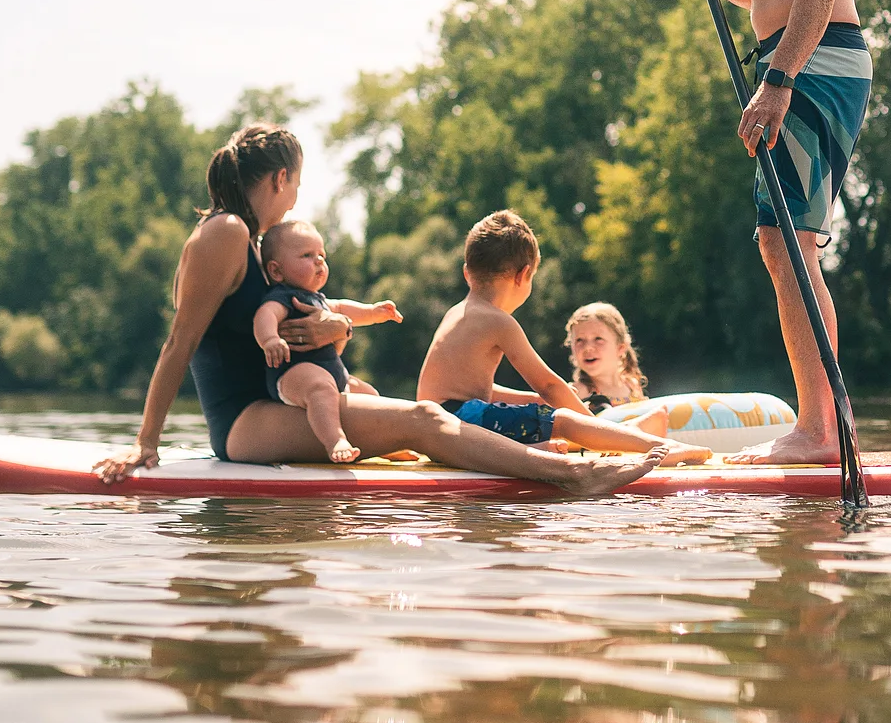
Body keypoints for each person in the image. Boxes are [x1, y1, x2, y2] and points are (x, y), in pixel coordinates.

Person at [95, 125, 659, 496]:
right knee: (425, 418)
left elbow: (272, 340)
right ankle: (571, 474)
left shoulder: (248, 243)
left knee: (380, 402)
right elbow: (181, 342)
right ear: (280, 178)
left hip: (271, 407)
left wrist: (332, 327)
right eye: (296, 182)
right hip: (245, 423)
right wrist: (148, 443)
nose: (296, 195)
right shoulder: (226, 230)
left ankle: (505, 452)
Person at [676, 0, 871, 466]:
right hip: (804, 52)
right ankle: (828, 428)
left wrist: (778, 79)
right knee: (786, 245)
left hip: (813, 60)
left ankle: (820, 434)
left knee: (790, 247)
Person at [416, 211, 710, 466]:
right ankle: (659, 448)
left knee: (538, 407)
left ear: (468, 273)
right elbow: (548, 385)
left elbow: (466, 387)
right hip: (460, 422)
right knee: (563, 420)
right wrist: (591, 427)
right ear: (524, 275)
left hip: (436, 427)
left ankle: (538, 449)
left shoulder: (457, 313)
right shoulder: (499, 322)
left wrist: (530, 399)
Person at [253, 218, 401, 464]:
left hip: (334, 376)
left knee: (370, 394)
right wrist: (270, 339)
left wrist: (373, 313)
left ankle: (383, 443)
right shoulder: (282, 297)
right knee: (320, 388)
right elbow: (265, 315)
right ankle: (335, 440)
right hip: (293, 375)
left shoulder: (318, 299)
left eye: (321, 254)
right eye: (307, 255)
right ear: (276, 271)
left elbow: (343, 308)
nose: (319, 260)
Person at [564, 302, 667, 438]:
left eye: (598, 339)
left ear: (620, 348)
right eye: (579, 340)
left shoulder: (632, 385)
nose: (588, 347)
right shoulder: (577, 392)